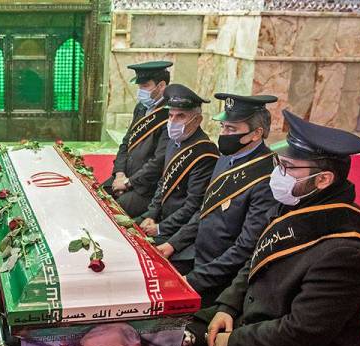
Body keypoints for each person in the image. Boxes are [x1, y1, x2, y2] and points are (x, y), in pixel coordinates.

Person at [181, 110, 360, 346]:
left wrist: (232, 342)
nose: (278, 174)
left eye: (287, 167)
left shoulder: (348, 249)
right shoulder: (299, 203)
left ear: (323, 179)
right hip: (261, 320)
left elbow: (302, 332)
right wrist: (226, 307)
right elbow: (255, 261)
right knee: (184, 335)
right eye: (279, 163)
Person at [174, 93, 278, 308]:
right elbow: (205, 209)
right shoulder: (226, 158)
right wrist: (173, 244)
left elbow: (246, 247)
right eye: (222, 127)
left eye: (231, 129)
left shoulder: (266, 177)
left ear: (256, 133)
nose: (223, 134)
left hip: (221, 279)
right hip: (197, 257)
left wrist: (194, 280)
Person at [137, 84, 219, 274]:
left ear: (197, 119)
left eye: (180, 116)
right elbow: (163, 183)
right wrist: (151, 214)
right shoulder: (176, 142)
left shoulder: (204, 153)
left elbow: (193, 206)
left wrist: (160, 228)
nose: (173, 122)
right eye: (170, 115)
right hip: (161, 220)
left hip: (180, 232)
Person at [102, 61, 172, 217]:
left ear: (161, 86)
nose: (140, 91)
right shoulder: (141, 107)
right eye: (139, 86)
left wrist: (128, 183)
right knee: (96, 196)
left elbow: (158, 161)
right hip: (124, 177)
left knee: (113, 212)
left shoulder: (170, 114)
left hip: (145, 187)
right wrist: (119, 174)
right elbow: (126, 143)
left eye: (145, 86)